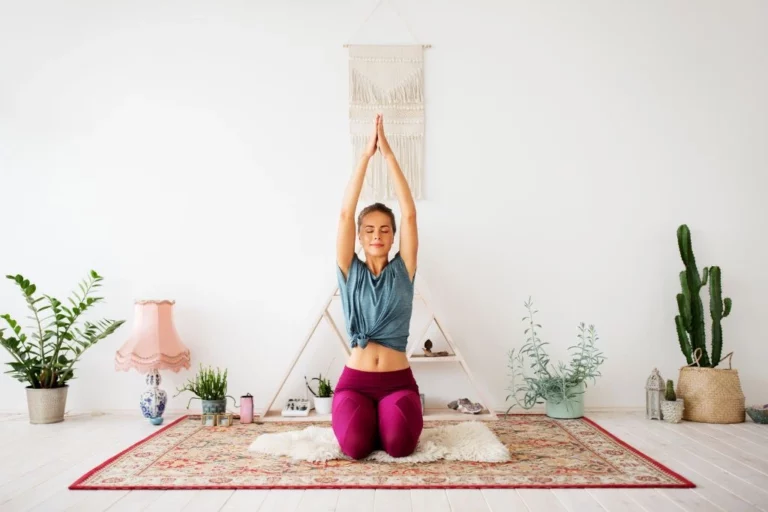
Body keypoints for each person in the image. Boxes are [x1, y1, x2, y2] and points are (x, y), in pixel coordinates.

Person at [332, 113, 422, 459]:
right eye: (369, 229)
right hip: (355, 382)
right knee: (355, 448)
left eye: (385, 229)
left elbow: (410, 213)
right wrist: (364, 158)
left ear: (394, 236)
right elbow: (344, 213)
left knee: (399, 447)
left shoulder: (405, 269)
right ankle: (368, 420)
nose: (377, 235)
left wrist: (388, 155)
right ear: (359, 236)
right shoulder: (347, 269)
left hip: (397, 383)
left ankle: (384, 420)